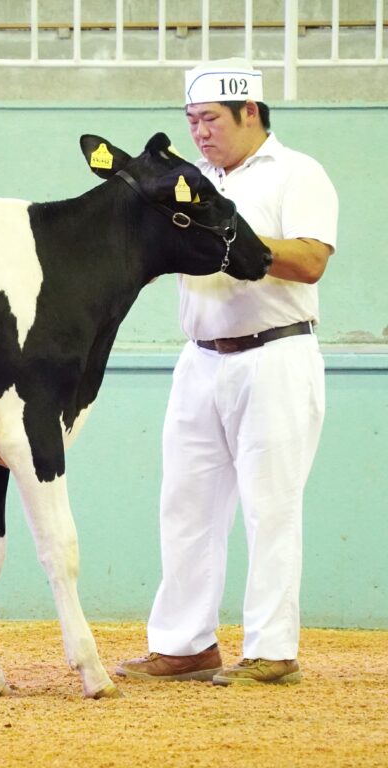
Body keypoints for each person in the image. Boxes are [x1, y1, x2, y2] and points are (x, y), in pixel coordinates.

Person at [116, 59, 339, 686]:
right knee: (184, 505)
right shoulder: (195, 180)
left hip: (276, 355)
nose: (199, 132)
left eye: (210, 118)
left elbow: (313, 259)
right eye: (191, 121)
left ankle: (272, 650)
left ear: (250, 112)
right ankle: (185, 643)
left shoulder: (298, 173)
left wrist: (238, 243)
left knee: (271, 507)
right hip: (200, 357)